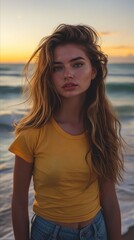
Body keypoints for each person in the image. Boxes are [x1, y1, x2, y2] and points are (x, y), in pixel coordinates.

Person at [9, 24, 124, 240]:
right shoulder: (32, 133)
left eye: (77, 64)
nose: (68, 74)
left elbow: (109, 198)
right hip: (49, 234)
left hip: (97, 231)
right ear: (49, 76)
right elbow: (18, 201)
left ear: (94, 71)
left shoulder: (102, 130)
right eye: (57, 68)